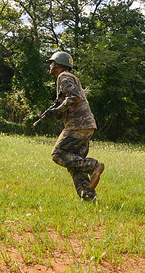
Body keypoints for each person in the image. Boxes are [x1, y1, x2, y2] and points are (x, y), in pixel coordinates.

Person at [37, 51, 104, 202]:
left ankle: (93, 166)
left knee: (58, 154)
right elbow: (69, 101)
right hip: (86, 125)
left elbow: (74, 97)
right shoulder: (70, 77)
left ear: (58, 64)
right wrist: (55, 112)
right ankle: (87, 196)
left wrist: (57, 110)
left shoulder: (64, 76)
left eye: (51, 62)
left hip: (77, 125)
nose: (50, 65)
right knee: (74, 163)